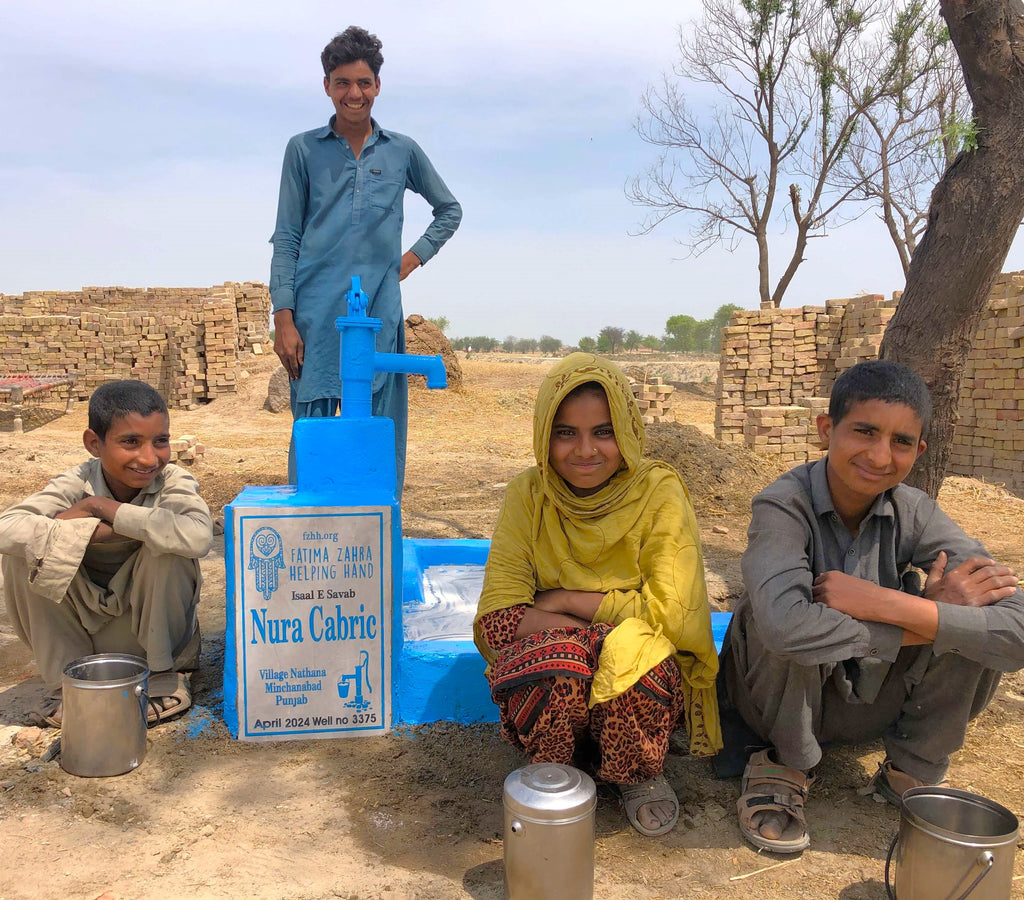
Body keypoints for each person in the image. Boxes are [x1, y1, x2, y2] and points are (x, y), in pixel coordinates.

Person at [719, 359, 1024, 853]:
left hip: (873, 696)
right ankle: (783, 764)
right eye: (864, 431)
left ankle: (911, 770)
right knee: (770, 614)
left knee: (974, 613)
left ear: (918, 450)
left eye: (901, 442)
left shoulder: (916, 511)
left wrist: (892, 604)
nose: (881, 456)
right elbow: (782, 628)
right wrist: (929, 617)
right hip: (782, 700)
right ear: (826, 430)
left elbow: (1018, 630)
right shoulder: (783, 504)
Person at [474, 353, 721, 837]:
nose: (584, 450)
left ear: (626, 433)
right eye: (566, 432)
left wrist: (565, 599)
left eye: (603, 432)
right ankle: (556, 773)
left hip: (628, 679)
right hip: (571, 666)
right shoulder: (529, 494)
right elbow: (499, 620)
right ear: (545, 435)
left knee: (635, 660)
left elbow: (676, 615)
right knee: (564, 661)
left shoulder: (657, 492)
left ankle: (639, 773)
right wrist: (605, 635)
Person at [270, 25, 462, 489]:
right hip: (314, 318)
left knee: (381, 433)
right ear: (327, 86)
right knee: (312, 432)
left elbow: (448, 210)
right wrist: (284, 318)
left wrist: (410, 260)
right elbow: (287, 236)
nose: (354, 94)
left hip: (378, 313)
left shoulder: (401, 151)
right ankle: (313, 538)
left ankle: (375, 536)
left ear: (378, 85)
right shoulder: (303, 150)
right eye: (342, 83)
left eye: (364, 83)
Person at [0, 380, 213, 727]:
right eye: (130, 442)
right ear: (94, 444)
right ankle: (68, 685)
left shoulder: (172, 480)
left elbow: (197, 535)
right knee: (22, 553)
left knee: (169, 548)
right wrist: (89, 532)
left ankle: (161, 679)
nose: (149, 458)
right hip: (84, 637)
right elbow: (7, 527)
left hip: (150, 638)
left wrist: (102, 509)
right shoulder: (75, 482)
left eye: (160, 441)